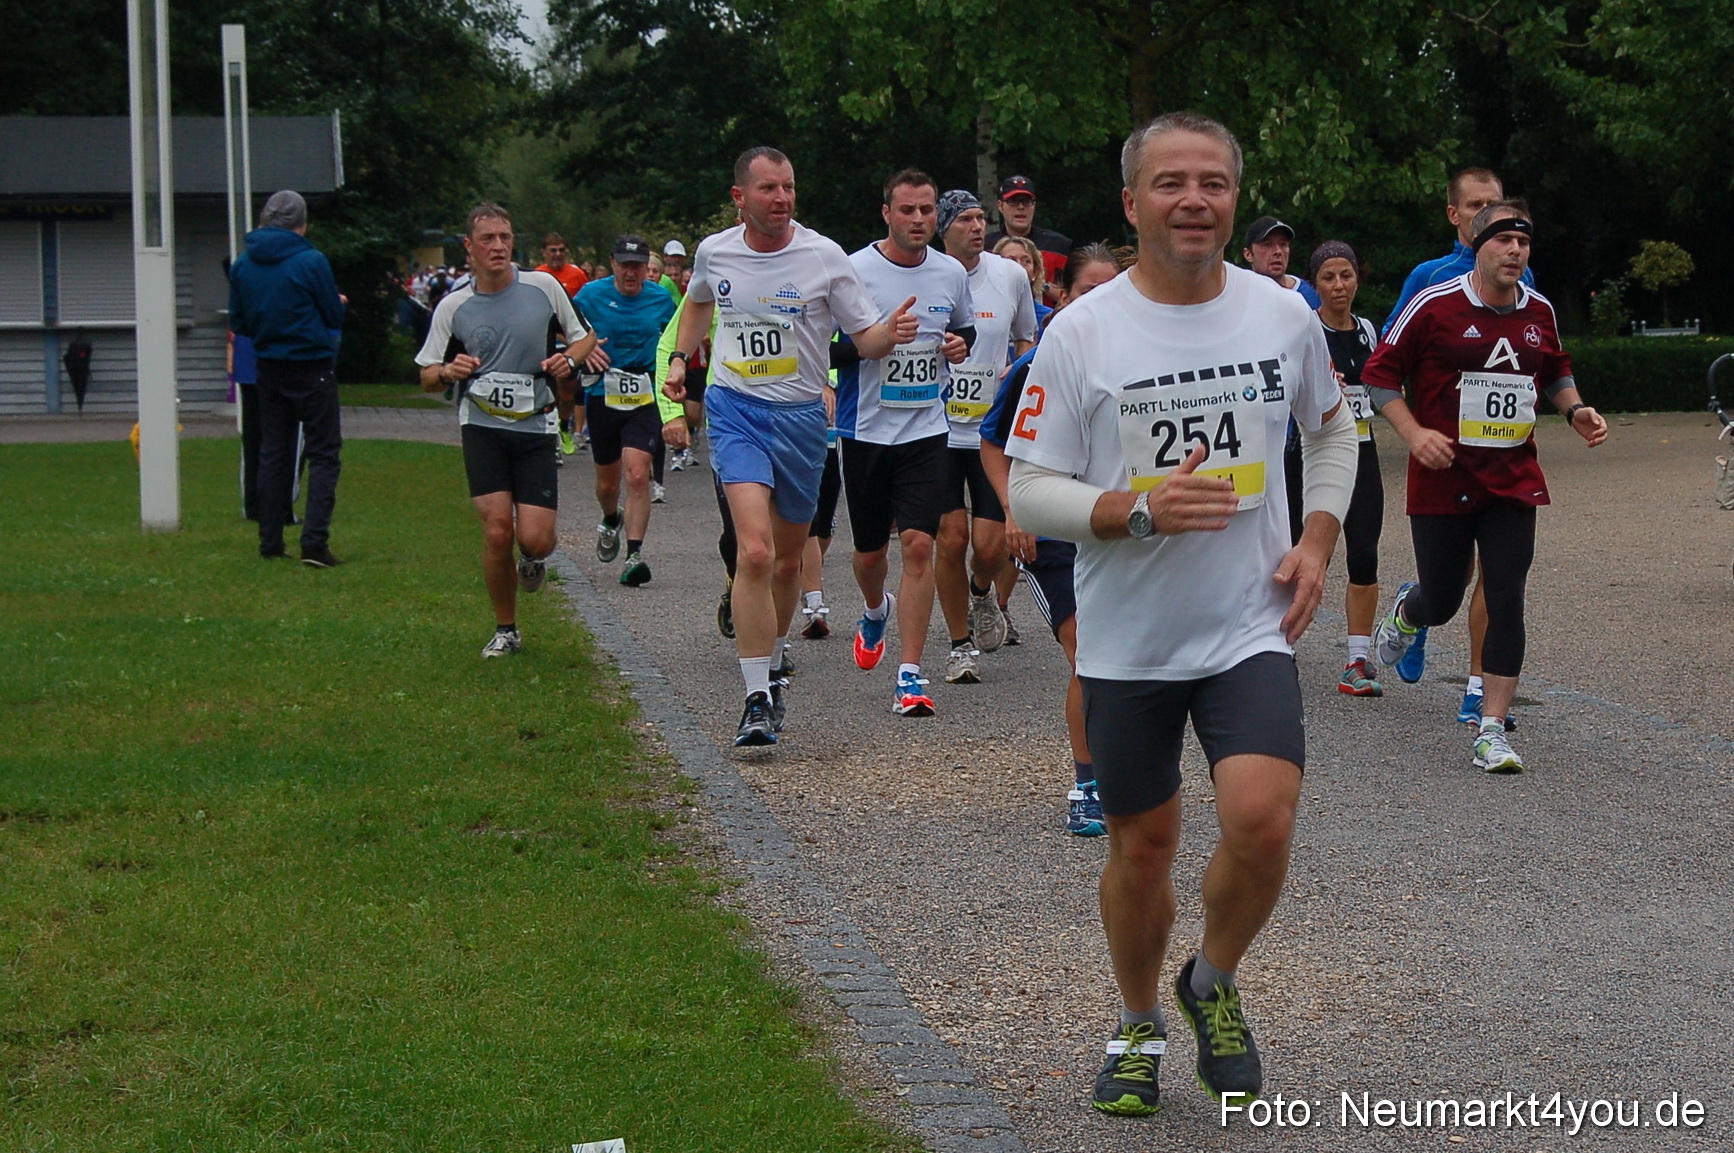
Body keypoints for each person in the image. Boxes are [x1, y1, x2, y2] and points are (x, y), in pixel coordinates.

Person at [1005, 111, 1357, 1115]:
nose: (1193, 199)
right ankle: (1134, 1022)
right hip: (1129, 640)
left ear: (1234, 200)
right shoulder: (1083, 332)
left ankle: (1213, 977)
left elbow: (1333, 438)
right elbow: (1031, 490)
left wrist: (1318, 543)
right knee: (1144, 848)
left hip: (1247, 620)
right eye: (1171, 183)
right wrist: (1133, 509)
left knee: (1261, 814)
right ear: (1132, 202)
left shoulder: (1282, 316)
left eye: (1213, 182)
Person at [664, 146, 919, 747]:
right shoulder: (715, 251)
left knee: (784, 561)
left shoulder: (823, 257)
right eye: (768, 189)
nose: (781, 199)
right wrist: (681, 357)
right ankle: (755, 698)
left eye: (788, 188)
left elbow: (865, 337)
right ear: (740, 198)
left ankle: (774, 664)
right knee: (752, 553)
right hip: (735, 409)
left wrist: (892, 333)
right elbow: (698, 299)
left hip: (802, 417)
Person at [1365, 199, 1607, 772]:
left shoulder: (1539, 309)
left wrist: (1574, 410)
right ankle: (1409, 610)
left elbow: (1553, 369)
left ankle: (1491, 727)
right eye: (1503, 241)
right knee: (1443, 599)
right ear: (1477, 246)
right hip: (1444, 477)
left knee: (1505, 595)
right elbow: (1378, 375)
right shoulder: (1434, 304)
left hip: (1511, 479)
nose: (1515, 251)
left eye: (1523, 243)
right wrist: (1414, 431)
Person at [1382, 166, 1536, 725]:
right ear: (1455, 215)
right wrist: (1416, 429)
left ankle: (1479, 688)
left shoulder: (1526, 280)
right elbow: (1392, 361)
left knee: (1502, 582)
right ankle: (1415, 609)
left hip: (1504, 465)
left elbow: (1537, 356)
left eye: (1495, 204)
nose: (1487, 215)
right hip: (1444, 463)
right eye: (1475, 206)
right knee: (1448, 587)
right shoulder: (1430, 280)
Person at [980, 242, 1122, 834]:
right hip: (1053, 531)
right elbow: (993, 442)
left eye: (1112, 291)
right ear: (1062, 299)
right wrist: (1015, 510)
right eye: (1090, 291)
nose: (1101, 303)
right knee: (1086, 653)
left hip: (1118, 528)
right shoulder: (1036, 363)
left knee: (1128, 658)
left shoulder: (1134, 357)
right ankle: (1087, 783)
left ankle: (1132, 770)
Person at [415, 202, 595, 656]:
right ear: (469, 247)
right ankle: (506, 629)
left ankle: (533, 560)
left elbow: (585, 337)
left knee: (535, 538)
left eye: (506, 238)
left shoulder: (543, 287)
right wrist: (449, 371)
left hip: (535, 425)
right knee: (497, 531)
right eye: (489, 239)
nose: (498, 247)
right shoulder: (454, 305)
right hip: (482, 425)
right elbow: (425, 374)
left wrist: (568, 359)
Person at [833, 170, 975, 716]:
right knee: (870, 555)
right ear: (887, 213)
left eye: (927, 210)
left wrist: (961, 344)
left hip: (926, 430)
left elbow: (965, 330)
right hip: (865, 430)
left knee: (919, 544)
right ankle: (874, 609)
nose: (920, 220)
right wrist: (878, 340)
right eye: (908, 210)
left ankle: (909, 677)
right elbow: (824, 348)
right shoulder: (854, 270)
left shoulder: (949, 273)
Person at [936, 190, 1038, 683]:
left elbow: (1027, 341)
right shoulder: (930, 271)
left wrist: (1013, 376)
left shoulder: (1010, 275)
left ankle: (980, 595)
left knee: (992, 546)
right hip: (934, 429)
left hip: (990, 430)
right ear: (944, 228)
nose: (978, 227)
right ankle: (960, 646)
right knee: (950, 539)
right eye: (966, 220)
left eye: (981, 218)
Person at [227, 189, 347, 567]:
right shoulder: (311, 261)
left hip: (268, 365)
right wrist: (336, 304)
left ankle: (270, 540)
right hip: (311, 365)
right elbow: (332, 315)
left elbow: (239, 322)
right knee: (324, 453)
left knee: (273, 452)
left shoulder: (243, 265)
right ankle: (314, 542)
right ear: (302, 223)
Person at [1304, 241, 1387, 696]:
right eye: (1329, 278)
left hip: (1363, 450)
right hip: (1317, 455)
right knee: (1309, 551)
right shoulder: (1307, 330)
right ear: (1315, 284)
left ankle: (1357, 659)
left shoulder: (1369, 331)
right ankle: (1281, 648)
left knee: (1365, 552)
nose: (1339, 286)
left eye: (1346, 276)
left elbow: (1380, 388)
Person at [575, 235, 682, 587]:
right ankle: (610, 517)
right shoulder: (590, 296)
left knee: (637, 475)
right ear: (614, 264)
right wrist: (584, 351)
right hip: (603, 394)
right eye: (625, 265)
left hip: (645, 394)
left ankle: (634, 555)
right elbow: (565, 330)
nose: (632, 273)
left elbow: (676, 338)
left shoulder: (661, 299)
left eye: (638, 266)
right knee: (608, 483)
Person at [534, 232, 590, 458]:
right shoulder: (536, 275)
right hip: (544, 341)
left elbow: (584, 309)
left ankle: (564, 425)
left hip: (570, 343)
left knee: (567, 395)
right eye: (552, 250)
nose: (557, 254)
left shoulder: (576, 275)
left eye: (561, 250)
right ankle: (550, 438)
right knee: (548, 391)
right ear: (544, 252)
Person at [985, 174, 1071, 304]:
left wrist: (1040, 284)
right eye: (1013, 201)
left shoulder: (1059, 246)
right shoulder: (985, 248)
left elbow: (1074, 296)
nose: (1020, 207)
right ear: (1000, 206)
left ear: (1034, 205)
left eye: (1027, 201)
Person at [1241, 216, 1320, 307]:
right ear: (1248, 254)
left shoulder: (1311, 294)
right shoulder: (1240, 297)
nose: (1278, 251)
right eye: (1267, 245)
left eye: (1283, 244)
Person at [994, 235, 1052, 331]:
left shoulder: (1050, 318)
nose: (1019, 266)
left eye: (1026, 261)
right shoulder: (982, 314)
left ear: (1035, 272)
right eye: (1011, 261)